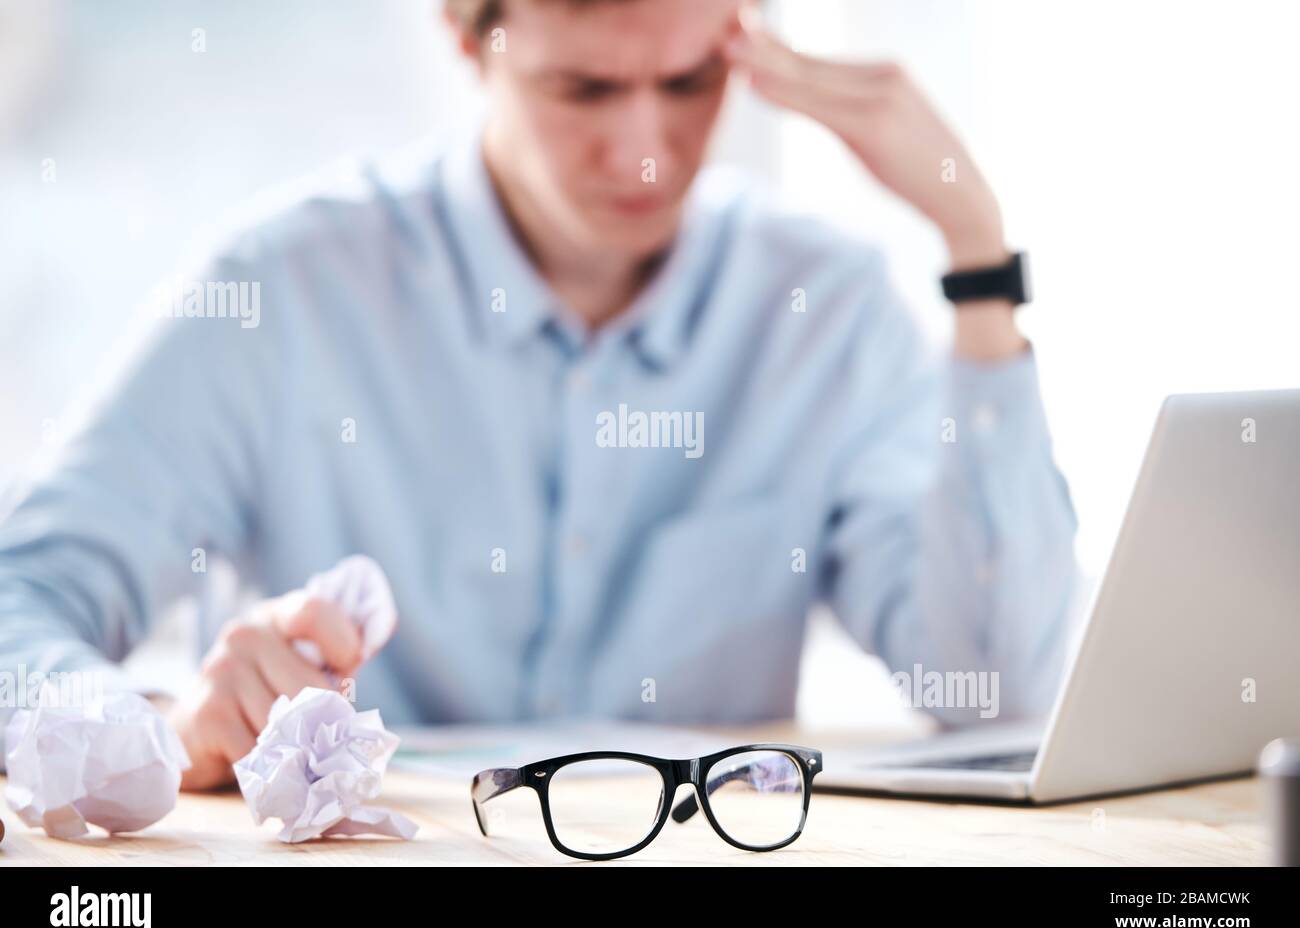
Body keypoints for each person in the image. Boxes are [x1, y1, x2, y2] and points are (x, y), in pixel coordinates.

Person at [0, 0, 1077, 790]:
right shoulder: (282, 289)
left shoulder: (822, 311)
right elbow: (17, 608)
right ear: (467, 40)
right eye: (586, 89)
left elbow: (997, 687)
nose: (646, 155)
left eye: (691, 83)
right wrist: (156, 732)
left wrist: (976, 256)